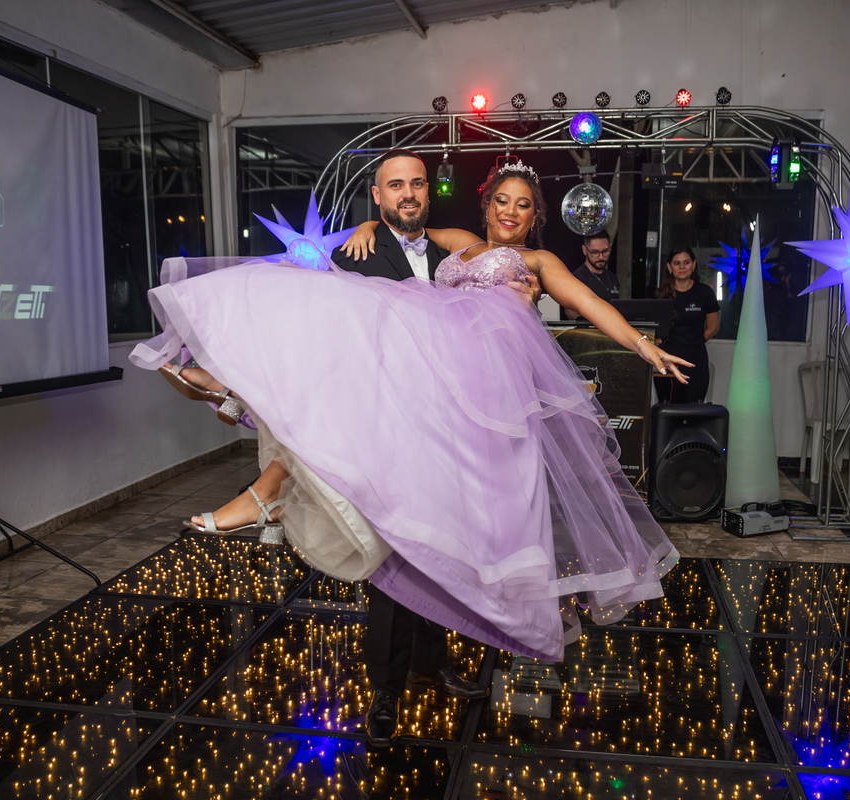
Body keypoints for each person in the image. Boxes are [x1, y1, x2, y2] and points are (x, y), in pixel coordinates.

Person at [130, 156, 685, 746]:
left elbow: (591, 305)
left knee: (444, 536)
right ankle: (240, 397)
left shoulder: (536, 263)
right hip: (426, 388)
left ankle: (258, 448)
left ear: (535, 217)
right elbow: (405, 229)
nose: (511, 212)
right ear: (487, 206)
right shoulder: (458, 242)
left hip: (480, 403)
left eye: (523, 205)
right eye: (502, 201)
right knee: (348, 338)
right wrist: (368, 225)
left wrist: (642, 345)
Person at [655, 246, 718, 403]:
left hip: (696, 358)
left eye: (686, 262)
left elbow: (713, 328)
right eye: (677, 263)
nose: (682, 267)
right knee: (667, 408)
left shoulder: (705, 292)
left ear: (693, 264)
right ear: (669, 266)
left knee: (694, 408)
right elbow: (654, 329)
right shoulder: (660, 294)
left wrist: (694, 342)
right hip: (668, 358)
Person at [563, 230, 618, 319]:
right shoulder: (577, 278)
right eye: (595, 252)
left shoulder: (612, 278)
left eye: (605, 251)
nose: (601, 257)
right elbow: (569, 310)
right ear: (585, 250)